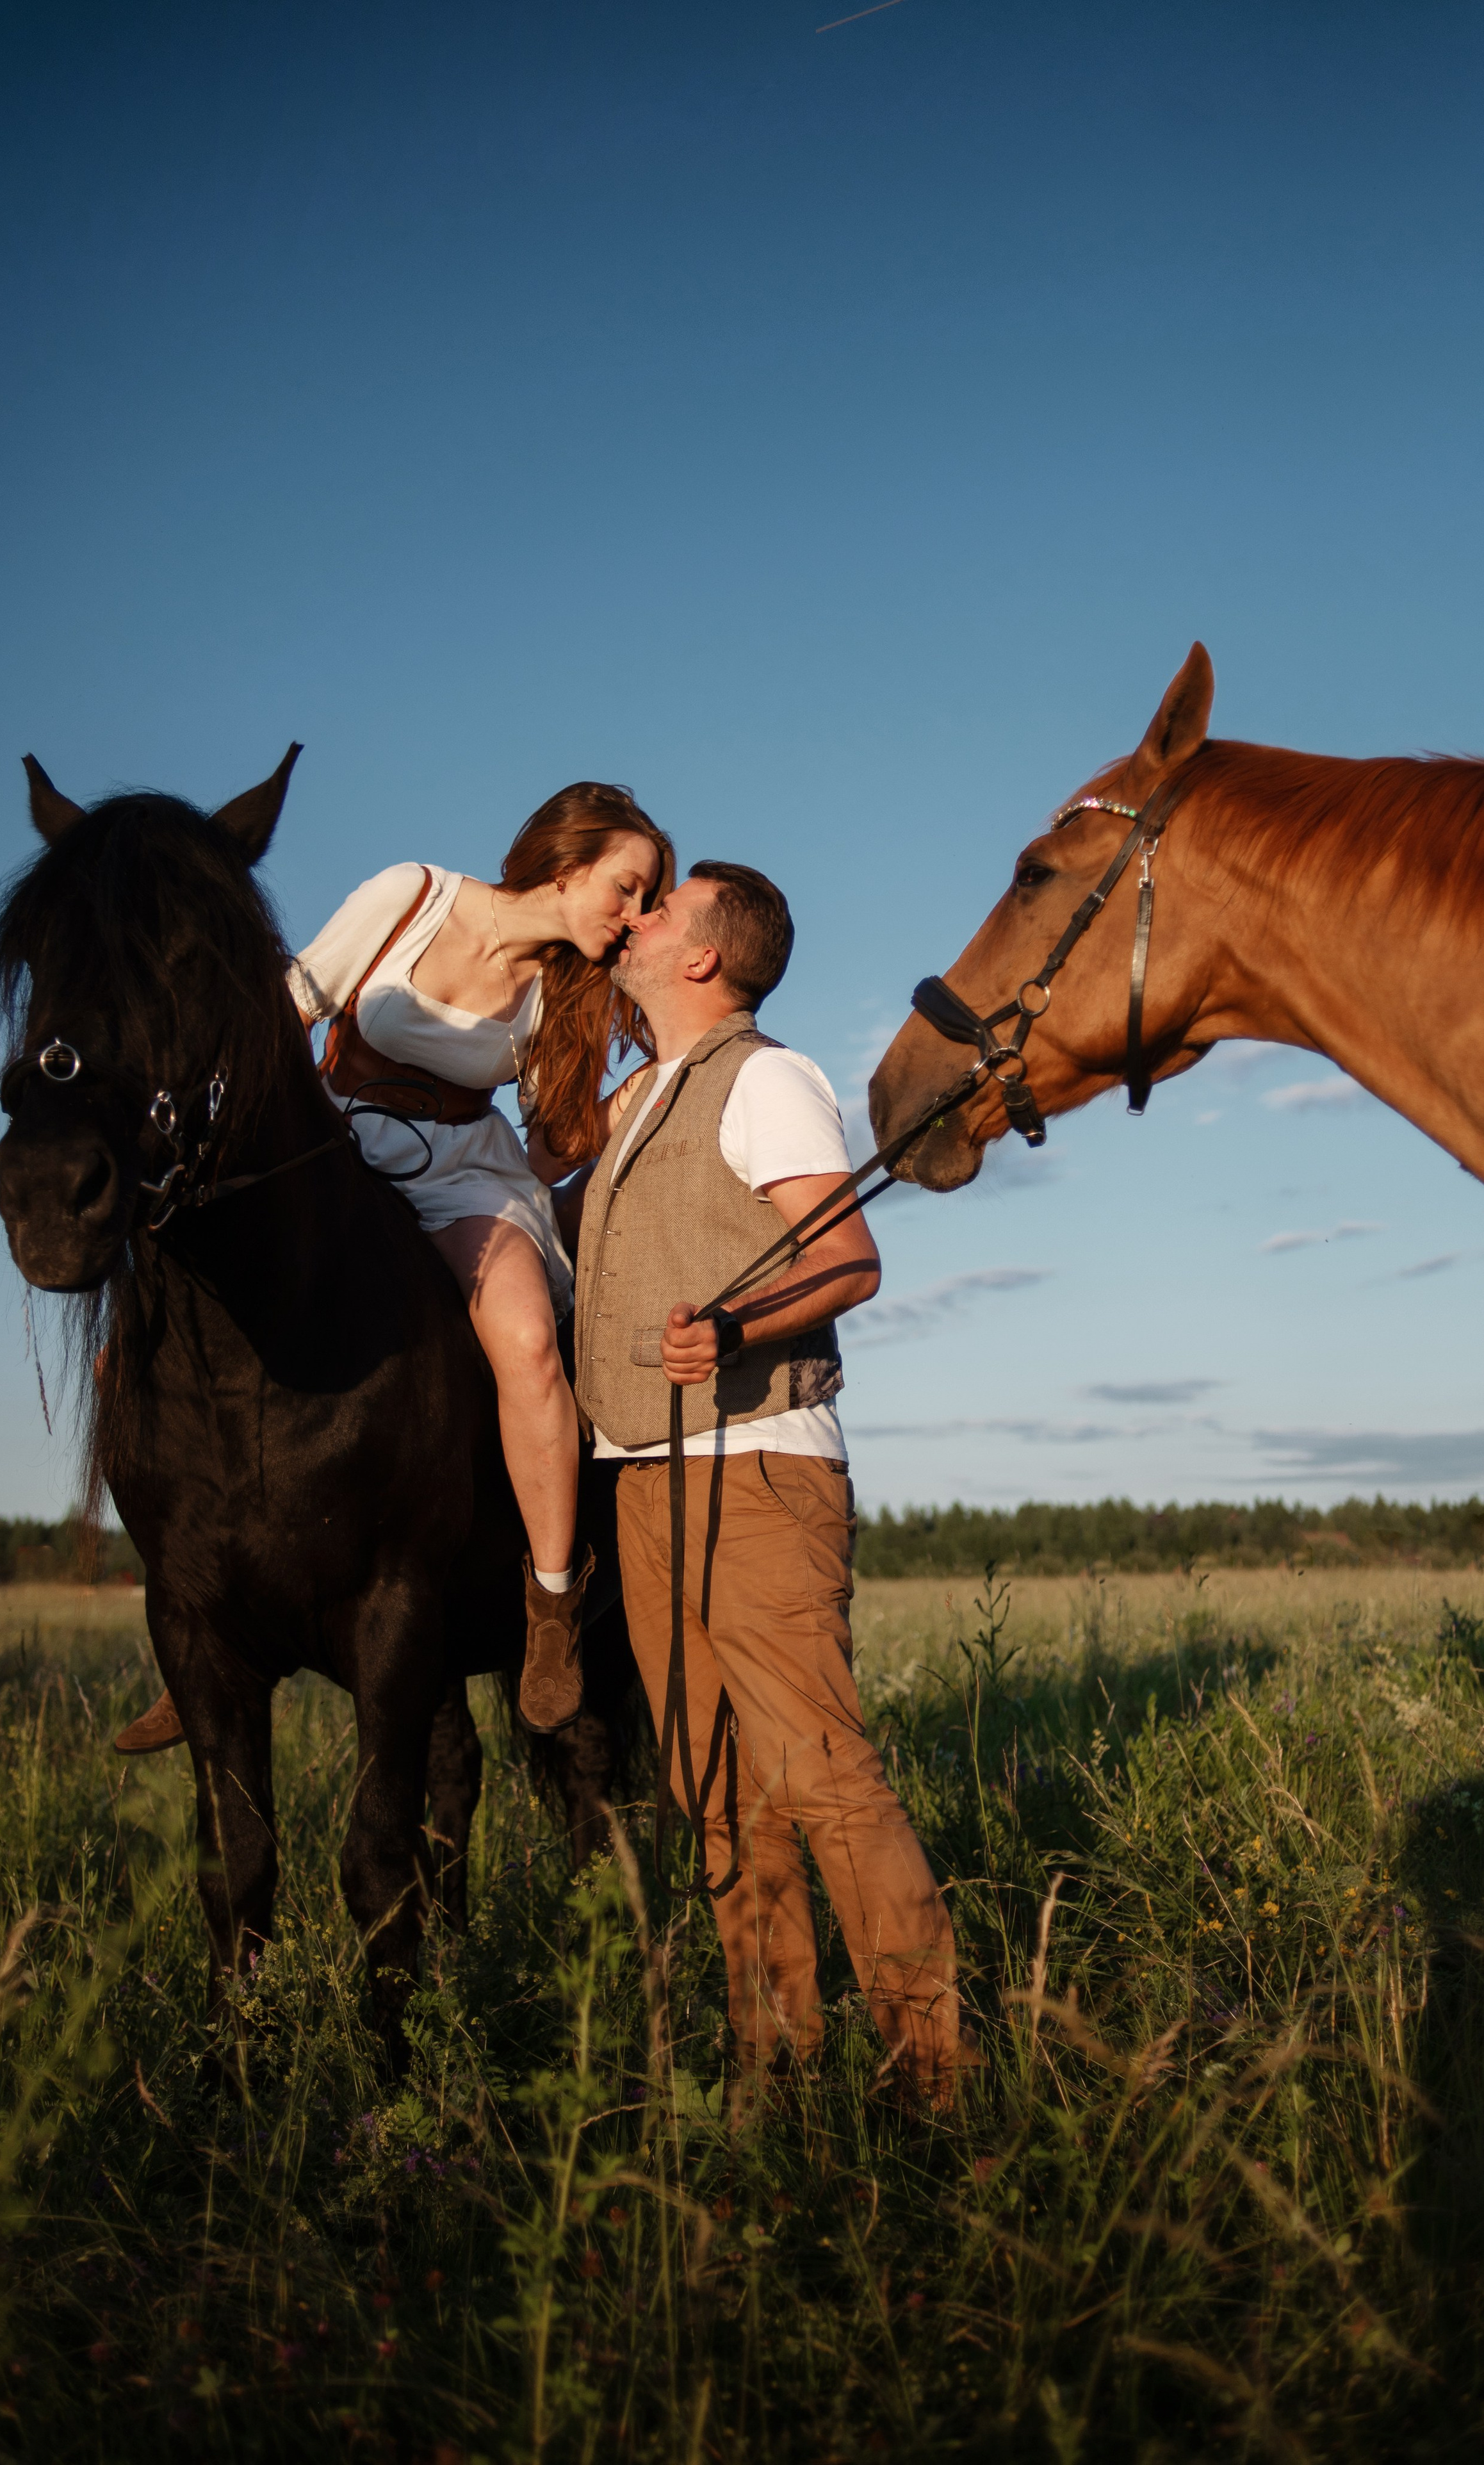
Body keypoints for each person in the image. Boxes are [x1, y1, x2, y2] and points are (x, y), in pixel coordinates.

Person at [114, 782, 674, 1755]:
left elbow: (550, 1149)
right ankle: (198, 1617)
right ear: (567, 863)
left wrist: (632, 1100)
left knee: (528, 1343)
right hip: (332, 1147)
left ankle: (550, 1609)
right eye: (626, 887)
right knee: (140, 1344)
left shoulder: (566, 991)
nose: (633, 914)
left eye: (647, 898)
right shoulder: (410, 895)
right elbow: (288, 1010)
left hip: (464, 1175)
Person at [572, 860, 965, 2109]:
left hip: (757, 1468)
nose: (634, 920)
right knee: (710, 1788)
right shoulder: (637, 1096)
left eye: (659, 908)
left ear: (702, 956)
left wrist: (735, 1326)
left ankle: (932, 2084)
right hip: (643, 1475)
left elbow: (849, 1257)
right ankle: (777, 2071)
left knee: (819, 1771)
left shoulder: (766, 1079)